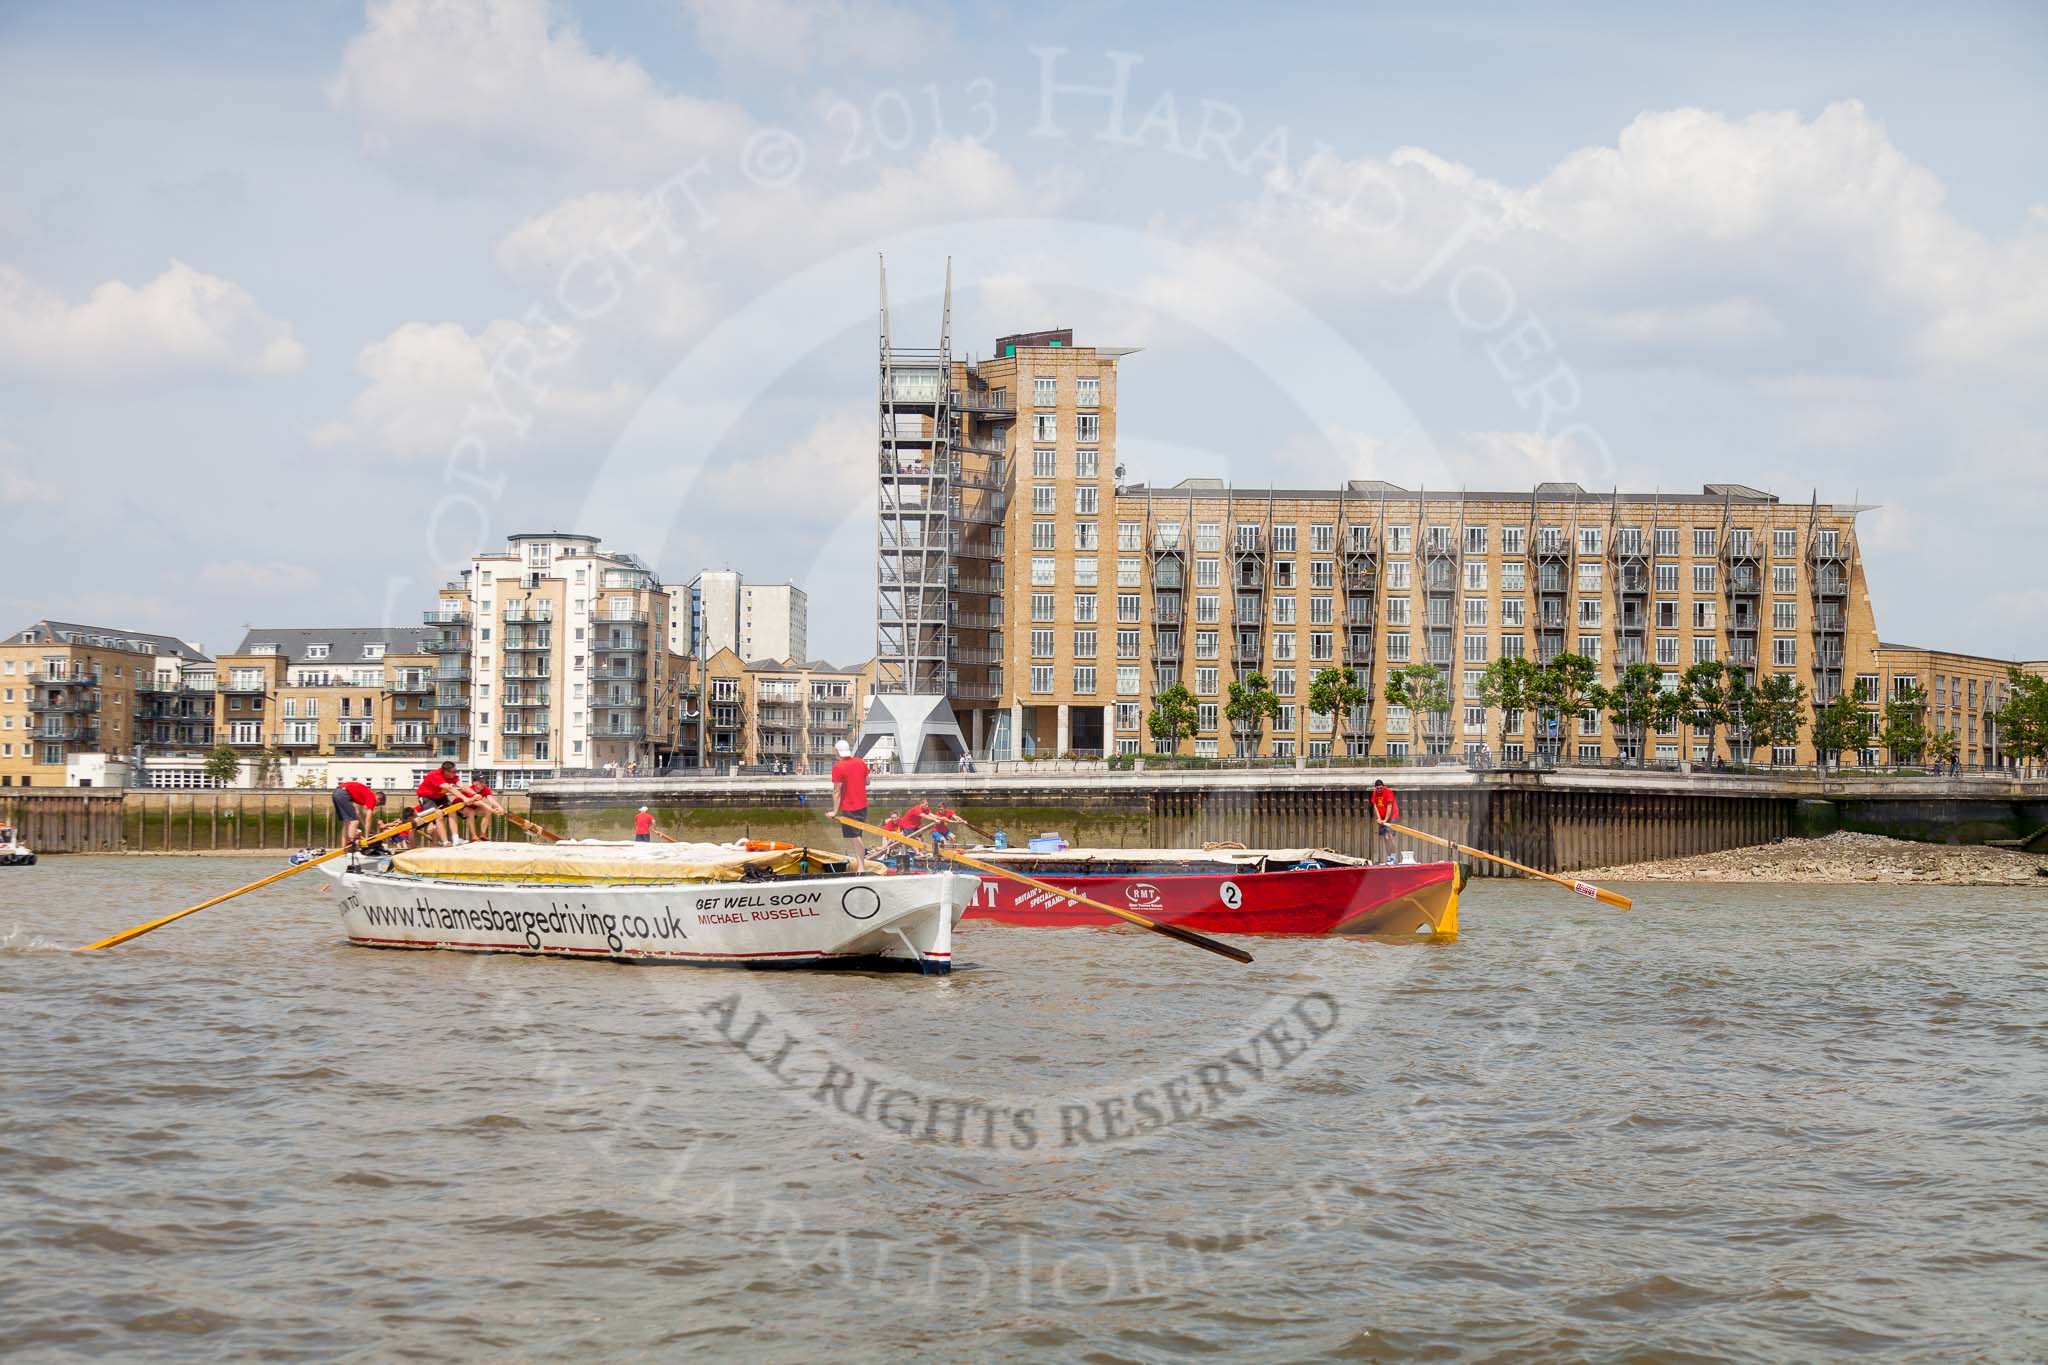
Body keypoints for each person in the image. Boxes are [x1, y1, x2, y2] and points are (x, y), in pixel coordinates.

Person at [828, 739, 872, 871]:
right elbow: (868, 781)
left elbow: (836, 791)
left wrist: (834, 812)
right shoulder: (860, 762)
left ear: (837, 752)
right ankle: (860, 865)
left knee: (855, 837)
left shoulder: (838, 767)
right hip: (863, 806)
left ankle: (861, 868)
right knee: (857, 835)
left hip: (849, 807)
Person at [415, 761, 462, 846]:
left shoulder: (451, 776)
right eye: (454, 772)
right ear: (446, 772)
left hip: (440, 797)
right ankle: (445, 842)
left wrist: (473, 794)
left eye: (456, 771)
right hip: (427, 797)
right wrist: (465, 798)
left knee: (452, 811)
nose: (455, 774)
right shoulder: (435, 775)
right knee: (438, 816)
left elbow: (463, 786)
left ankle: (456, 839)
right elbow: (450, 789)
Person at [333, 776, 378, 846]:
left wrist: (366, 829)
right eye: (377, 805)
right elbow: (368, 819)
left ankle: (343, 848)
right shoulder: (373, 798)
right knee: (354, 821)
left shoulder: (363, 796)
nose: (374, 806)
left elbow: (358, 813)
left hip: (337, 792)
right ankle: (351, 847)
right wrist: (367, 836)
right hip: (344, 793)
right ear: (378, 799)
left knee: (347, 823)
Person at [1371, 779, 1401, 863]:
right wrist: (1379, 818)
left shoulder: (1388, 792)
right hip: (1383, 818)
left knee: (1389, 836)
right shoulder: (1375, 793)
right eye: (1378, 788)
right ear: (1375, 788)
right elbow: (1375, 806)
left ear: (1383, 787)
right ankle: (1389, 857)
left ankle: (1393, 856)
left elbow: (1389, 807)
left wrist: (1385, 820)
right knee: (1385, 838)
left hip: (1392, 816)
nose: (1379, 790)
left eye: (1381, 788)